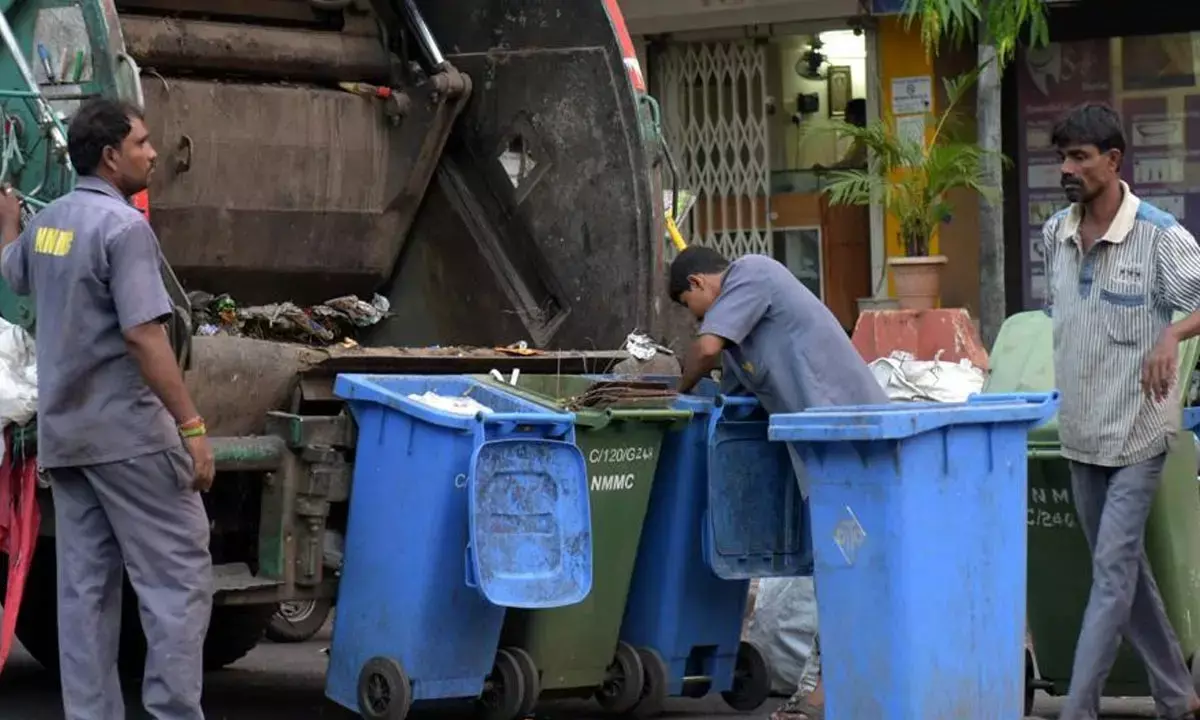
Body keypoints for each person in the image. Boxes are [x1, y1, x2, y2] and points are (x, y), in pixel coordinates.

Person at [0, 98, 215, 720]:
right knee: (176, 584)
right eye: (142, 143)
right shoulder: (125, 229)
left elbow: (12, 274)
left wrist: (10, 220)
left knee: (86, 595)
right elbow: (144, 335)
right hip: (131, 438)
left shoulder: (51, 225)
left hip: (68, 440)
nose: (153, 152)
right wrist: (192, 427)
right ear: (110, 155)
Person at [669, 246, 889, 720]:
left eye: (689, 308)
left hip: (854, 445)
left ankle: (830, 691)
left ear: (697, 285)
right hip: (821, 460)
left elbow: (705, 350)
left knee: (851, 565)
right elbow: (729, 397)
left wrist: (673, 391)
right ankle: (830, 689)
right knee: (840, 565)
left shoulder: (753, 273)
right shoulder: (743, 342)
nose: (696, 321)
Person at [1042, 102, 1200, 720]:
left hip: (1139, 430)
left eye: (1080, 157)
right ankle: (1176, 693)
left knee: (1110, 576)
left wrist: (1171, 336)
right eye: (1063, 157)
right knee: (1124, 569)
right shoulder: (1054, 235)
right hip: (1079, 431)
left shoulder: (1161, 236)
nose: (1067, 168)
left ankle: (1078, 709)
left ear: (1113, 161)